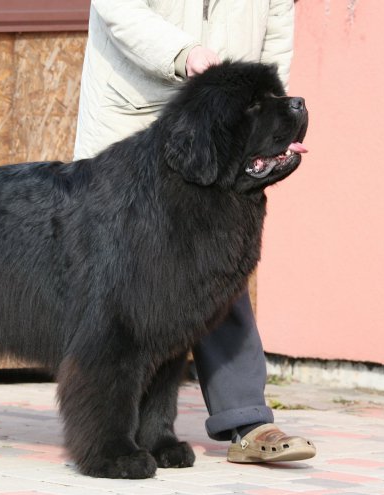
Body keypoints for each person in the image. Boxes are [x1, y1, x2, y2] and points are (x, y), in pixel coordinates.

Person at [74, 0, 316, 464]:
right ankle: (111, 433)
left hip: (228, 124)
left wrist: (270, 110)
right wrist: (182, 53)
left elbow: (277, 25)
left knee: (217, 268)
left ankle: (246, 419)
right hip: (135, 108)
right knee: (123, 297)